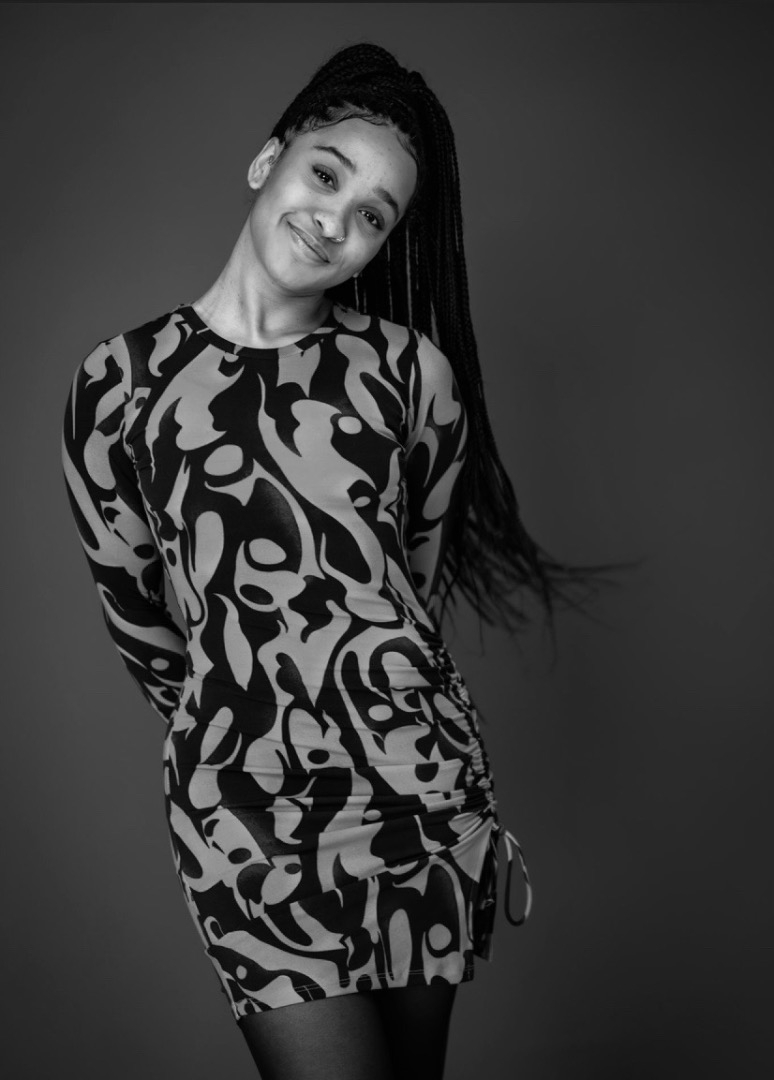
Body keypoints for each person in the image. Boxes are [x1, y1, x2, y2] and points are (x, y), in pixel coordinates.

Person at [60, 41, 631, 1080]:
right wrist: (242, 724)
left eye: (372, 214)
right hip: (242, 810)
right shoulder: (119, 384)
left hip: (416, 793)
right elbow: (139, 618)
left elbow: (403, 585)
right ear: (267, 160)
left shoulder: (412, 375)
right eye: (325, 175)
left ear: (381, 246)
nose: (334, 219)